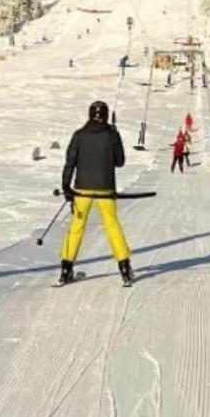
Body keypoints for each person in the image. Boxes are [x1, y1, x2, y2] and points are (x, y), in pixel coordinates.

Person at [59, 99, 133, 287]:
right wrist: (115, 137)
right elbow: (120, 161)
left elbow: (70, 162)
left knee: (76, 227)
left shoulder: (79, 135)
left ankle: (66, 269)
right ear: (106, 115)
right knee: (112, 226)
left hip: (82, 189)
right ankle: (124, 268)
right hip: (105, 189)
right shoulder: (111, 134)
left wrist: (66, 186)